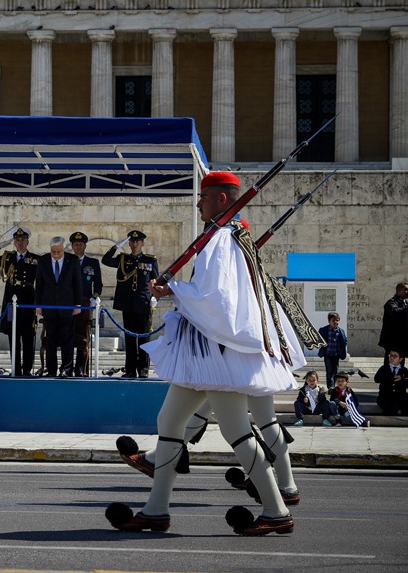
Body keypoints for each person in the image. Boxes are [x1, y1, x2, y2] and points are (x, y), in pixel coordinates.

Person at [106, 171, 306, 536]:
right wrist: (178, 290)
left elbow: (218, 301)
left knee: (238, 433)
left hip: (216, 355)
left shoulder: (222, 240)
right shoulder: (230, 238)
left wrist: (174, 290)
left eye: (204, 197)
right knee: (169, 422)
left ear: (222, 201)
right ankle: (156, 509)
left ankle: (277, 510)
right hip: (203, 356)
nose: (198, 203)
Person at [0, 227, 39, 376]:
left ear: (27, 241)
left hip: (28, 300)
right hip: (11, 300)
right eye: (17, 240)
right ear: (14, 242)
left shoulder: (35, 259)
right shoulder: (7, 258)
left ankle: (27, 370)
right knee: (13, 336)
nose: (20, 243)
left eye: (23, 240)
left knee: (28, 337)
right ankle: (16, 369)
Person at [101, 230, 159, 378]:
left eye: (137, 242)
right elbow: (106, 260)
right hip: (127, 304)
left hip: (144, 304)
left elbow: (156, 281)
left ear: (142, 243)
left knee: (144, 338)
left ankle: (144, 369)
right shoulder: (122, 259)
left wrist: (155, 297)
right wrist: (115, 247)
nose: (134, 244)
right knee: (130, 338)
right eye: (131, 242)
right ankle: (131, 369)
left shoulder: (150, 260)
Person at [34, 237, 82, 377]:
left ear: (64, 249)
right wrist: (38, 304)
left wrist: (77, 304)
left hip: (67, 306)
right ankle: (51, 369)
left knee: (67, 339)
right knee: (51, 341)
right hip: (49, 306)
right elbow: (39, 285)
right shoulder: (42, 261)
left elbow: (77, 284)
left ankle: (66, 369)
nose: (55, 255)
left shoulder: (72, 260)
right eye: (53, 252)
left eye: (59, 252)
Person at [70, 231, 103, 376]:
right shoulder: (66, 261)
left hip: (85, 303)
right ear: (72, 246)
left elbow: (99, 284)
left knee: (83, 337)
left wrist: (94, 297)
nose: (78, 247)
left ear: (85, 246)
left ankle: (80, 367)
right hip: (69, 304)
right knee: (68, 335)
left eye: (80, 244)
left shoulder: (93, 263)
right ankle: (67, 366)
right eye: (75, 244)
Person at [378, 282, 408, 365]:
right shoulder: (391, 302)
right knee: (390, 364)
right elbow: (396, 312)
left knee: (400, 363)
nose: (407, 291)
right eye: (405, 289)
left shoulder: (405, 303)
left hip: (402, 340)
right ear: (398, 291)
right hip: (392, 340)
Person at [318, 312, 347, 390]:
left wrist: (343, 348)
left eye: (337, 320)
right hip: (327, 354)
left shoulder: (341, 331)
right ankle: (330, 386)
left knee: (335, 371)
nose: (335, 322)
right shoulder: (324, 330)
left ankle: (334, 385)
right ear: (329, 321)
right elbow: (319, 339)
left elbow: (345, 340)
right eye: (333, 320)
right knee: (329, 371)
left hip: (336, 354)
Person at [375, 349, 408, 415]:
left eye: (395, 356)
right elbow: (376, 379)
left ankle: (400, 411)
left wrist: (402, 379)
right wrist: (389, 378)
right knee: (382, 401)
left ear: (400, 359)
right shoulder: (384, 368)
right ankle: (396, 411)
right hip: (386, 396)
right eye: (391, 355)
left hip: (400, 396)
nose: (392, 358)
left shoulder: (404, 370)